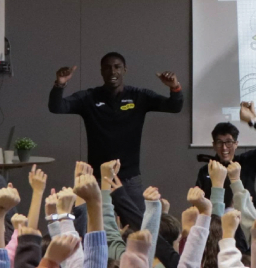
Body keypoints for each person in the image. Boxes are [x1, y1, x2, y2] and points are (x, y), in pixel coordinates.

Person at [49, 53, 184, 228]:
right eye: (107, 67)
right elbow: (57, 107)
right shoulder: (89, 97)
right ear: (101, 71)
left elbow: (174, 106)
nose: (112, 71)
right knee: (93, 228)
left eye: (117, 67)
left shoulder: (139, 96)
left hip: (130, 179)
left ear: (124, 70)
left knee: (138, 228)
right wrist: (60, 84)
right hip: (98, 178)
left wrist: (174, 87)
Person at [193, 122, 256, 214]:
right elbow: (198, 201)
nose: (224, 148)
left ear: (236, 144)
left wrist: (255, 120)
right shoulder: (206, 170)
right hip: (216, 218)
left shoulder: (247, 162)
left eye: (229, 142)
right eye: (219, 142)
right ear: (214, 145)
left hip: (244, 217)